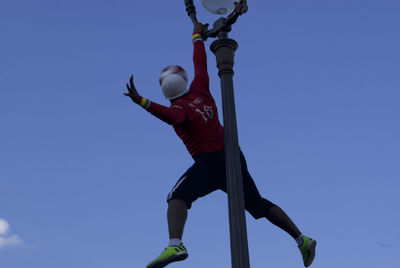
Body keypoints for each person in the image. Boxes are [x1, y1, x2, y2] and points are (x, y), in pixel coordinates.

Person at [124, 23, 317, 268]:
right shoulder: (201, 89)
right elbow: (200, 64)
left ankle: (175, 243)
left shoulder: (179, 108)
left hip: (210, 161)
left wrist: (142, 101)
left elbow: (173, 117)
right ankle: (302, 239)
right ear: (184, 81)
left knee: (177, 197)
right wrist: (196, 37)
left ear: (167, 94)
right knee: (257, 204)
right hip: (233, 157)